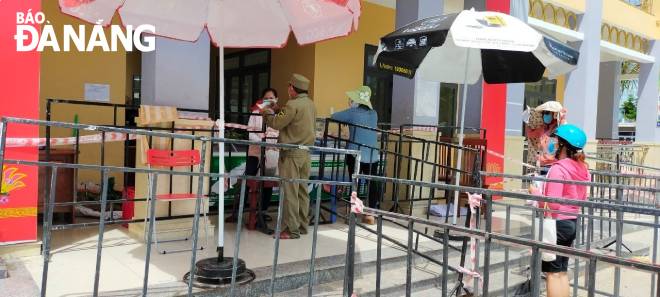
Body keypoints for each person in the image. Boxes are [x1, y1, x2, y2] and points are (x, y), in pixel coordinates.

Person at [529, 124, 589, 297]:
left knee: (553, 274)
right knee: (561, 271)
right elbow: (582, 199)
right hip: (572, 222)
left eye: (556, 141)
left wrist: (536, 193)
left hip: (557, 225)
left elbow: (553, 204)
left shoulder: (558, 169)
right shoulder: (582, 168)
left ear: (563, 145)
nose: (553, 143)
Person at [262, 74, 316, 239]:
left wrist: (266, 112)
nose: (288, 89)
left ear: (292, 88)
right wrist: (279, 109)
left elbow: (277, 123)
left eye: (288, 87)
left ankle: (291, 230)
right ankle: (302, 225)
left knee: (289, 192)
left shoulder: (292, 104)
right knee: (301, 191)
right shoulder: (310, 104)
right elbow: (293, 119)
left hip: (291, 154)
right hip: (305, 153)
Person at [330, 85, 380, 225]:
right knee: (372, 183)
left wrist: (350, 110)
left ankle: (354, 212)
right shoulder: (374, 113)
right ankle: (371, 213)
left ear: (356, 100)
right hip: (372, 154)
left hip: (355, 154)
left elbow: (334, 116)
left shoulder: (352, 113)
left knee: (354, 183)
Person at [245, 88, 280, 234]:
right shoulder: (255, 112)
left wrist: (271, 142)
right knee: (251, 180)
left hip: (271, 152)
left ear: (276, 99)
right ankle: (250, 211)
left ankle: (263, 211)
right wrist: (261, 142)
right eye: (266, 98)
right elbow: (250, 132)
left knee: (267, 183)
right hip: (255, 151)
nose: (269, 100)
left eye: (271, 97)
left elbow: (279, 132)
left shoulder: (280, 114)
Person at [524, 101, 567, 175]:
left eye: (547, 113)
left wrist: (562, 117)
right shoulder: (543, 129)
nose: (544, 115)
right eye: (543, 113)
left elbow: (563, 129)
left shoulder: (559, 129)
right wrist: (528, 121)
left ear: (554, 114)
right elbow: (530, 133)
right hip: (542, 166)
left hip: (555, 166)